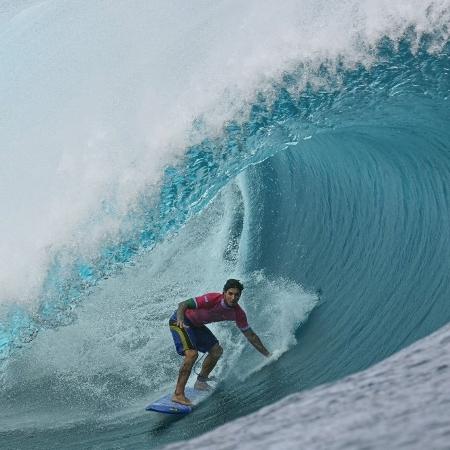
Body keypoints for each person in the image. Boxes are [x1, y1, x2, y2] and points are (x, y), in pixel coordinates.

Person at [169, 279, 271, 406]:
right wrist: (179, 319)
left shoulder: (238, 313)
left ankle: (200, 382)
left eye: (237, 295)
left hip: (197, 326)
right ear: (224, 293)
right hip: (180, 321)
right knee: (191, 354)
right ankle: (178, 394)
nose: (233, 298)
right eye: (230, 293)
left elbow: (251, 336)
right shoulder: (212, 299)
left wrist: (268, 355)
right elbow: (182, 304)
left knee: (216, 351)